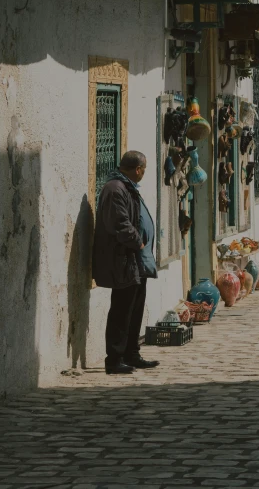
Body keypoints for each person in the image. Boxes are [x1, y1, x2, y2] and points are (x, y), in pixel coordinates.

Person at [92, 150, 160, 375]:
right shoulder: (115, 189)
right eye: (144, 169)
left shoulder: (127, 187)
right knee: (121, 310)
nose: (143, 173)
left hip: (134, 260)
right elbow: (119, 224)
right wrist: (138, 243)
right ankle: (114, 359)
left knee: (135, 308)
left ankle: (132, 353)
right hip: (123, 258)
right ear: (138, 169)